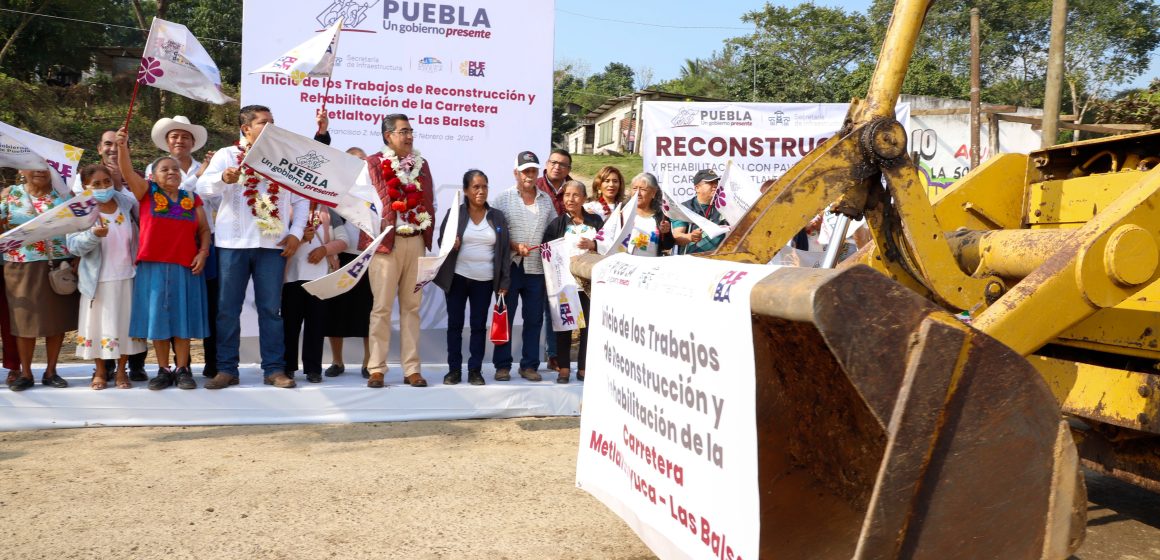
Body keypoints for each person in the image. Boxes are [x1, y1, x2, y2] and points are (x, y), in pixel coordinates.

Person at [196, 105, 308, 389]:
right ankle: (226, 369)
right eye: (263, 122)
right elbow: (202, 189)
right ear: (246, 128)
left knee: (271, 309)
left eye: (273, 121)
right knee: (227, 309)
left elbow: (300, 199)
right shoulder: (226, 155)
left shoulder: (284, 157)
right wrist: (223, 178)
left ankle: (274, 369)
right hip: (233, 244)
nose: (271, 126)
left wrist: (296, 232)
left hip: (273, 245)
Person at [117, 128, 211, 390]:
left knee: (182, 320)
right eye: (165, 169)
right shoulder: (146, 194)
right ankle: (163, 369)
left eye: (175, 170)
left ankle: (183, 370)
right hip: (153, 267)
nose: (171, 172)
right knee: (158, 320)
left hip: (185, 267)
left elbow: (204, 230)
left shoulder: (191, 198)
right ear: (153, 176)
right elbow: (126, 173)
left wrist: (203, 252)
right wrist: (123, 148)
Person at [356, 113, 435, 389]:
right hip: (385, 243)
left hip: (415, 241)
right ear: (388, 135)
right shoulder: (373, 164)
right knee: (381, 308)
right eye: (403, 131)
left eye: (411, 131)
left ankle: (412, 368)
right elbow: (360, 203)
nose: (409, 136)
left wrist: (428, 235)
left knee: (412, 308)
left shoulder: (421, 165)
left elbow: (428, 200)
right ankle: (376, 368)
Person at [66, 165, 147, 389]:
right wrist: (93, 235)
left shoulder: (126, 203)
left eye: (107, 182)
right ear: (85, 187)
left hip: (127, 276)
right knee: (97, 327)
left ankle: (122, 371)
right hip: (97, 279)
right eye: (96, 184)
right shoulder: (79, 209)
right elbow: (73, 246)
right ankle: (100, 371)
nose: (103, 187)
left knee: (124, 326)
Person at [0, 168, 79, 391]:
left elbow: (79, 227)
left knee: (56, 319)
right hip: (20, 264)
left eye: (44, 166)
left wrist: (78, 257)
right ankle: (25, 373)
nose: (39, 171)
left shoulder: (63, 195)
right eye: (32, 165)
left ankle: (51, 371)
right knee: (24, 321)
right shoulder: (10, 194)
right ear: (21, 169)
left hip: (58, 265)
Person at [435, 170, 510, 386]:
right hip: (457, 278)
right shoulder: (455, 213)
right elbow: (442, 242)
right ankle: (454, 370)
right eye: (476, 187)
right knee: (455, 325)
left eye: (484, 186)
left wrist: (504, 282)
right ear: (466, 190)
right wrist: (452, 245)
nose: (481, 191)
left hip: (485, 281)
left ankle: (475, 370)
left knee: (478, 326)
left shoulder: (497, 216)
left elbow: (504, 252)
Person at [492, 151, 557, 382]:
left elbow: (553, 231)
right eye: (525, 171)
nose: (530, 175)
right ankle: (502, 365)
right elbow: (494, 233)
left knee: (534, 318)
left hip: (536, 268)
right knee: (504, 316)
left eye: (533, 170)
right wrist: (511, 244)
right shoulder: (502, 199)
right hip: (511, 267)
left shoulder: (546, 200)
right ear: (515, 172)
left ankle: (529, 365)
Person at [541, 181, 601, 384]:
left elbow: (609, 244)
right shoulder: (557, 224)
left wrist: (594, 244)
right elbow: (546, 252)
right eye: (567, 195)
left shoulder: (595, 221)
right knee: (565, 325)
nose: (570, 199)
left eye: (576, 195)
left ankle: (584, 367)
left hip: (590, 284)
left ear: (584, 198)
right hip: (566, 283)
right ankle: (564, 368)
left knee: (589, 327)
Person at [283, 206, 347, 383]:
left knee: (316, 325)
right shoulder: (288, 207)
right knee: (290, 325)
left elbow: (344, 240)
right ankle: (287, 367)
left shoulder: (330, 211)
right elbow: (279, 240)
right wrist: (302, 239)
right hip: (292, 277)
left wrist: (324, 250)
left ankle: (313, 369)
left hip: (320, 279)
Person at [535, 149, 572, 372]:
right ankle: (529, 357)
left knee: (555, 308)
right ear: (547, 164)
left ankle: (554, 354)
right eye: (554, 162)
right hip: (534, 254)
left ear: (568, 169)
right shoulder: (535, 186)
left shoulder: (572, 189)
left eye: (563, 164)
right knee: (533, 310)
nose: (557, 167)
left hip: (561, 260)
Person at [672, 169, 729, 255]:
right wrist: (690, 237)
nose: (715, 186)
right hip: (691, 262)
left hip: (718, 260)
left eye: (716, 183)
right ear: (697, 188)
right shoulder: (684, 208)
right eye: (710, 183)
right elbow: (676, 236)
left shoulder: (723, 207)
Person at [626, 173, 674, 257]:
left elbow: (668, 245)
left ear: (653, 193)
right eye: (634, 189)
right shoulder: (624, 213)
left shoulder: (660, 216)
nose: (638, 193)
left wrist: (666, 233)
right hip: (626, 265)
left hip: (650, 266)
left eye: (643, 189)